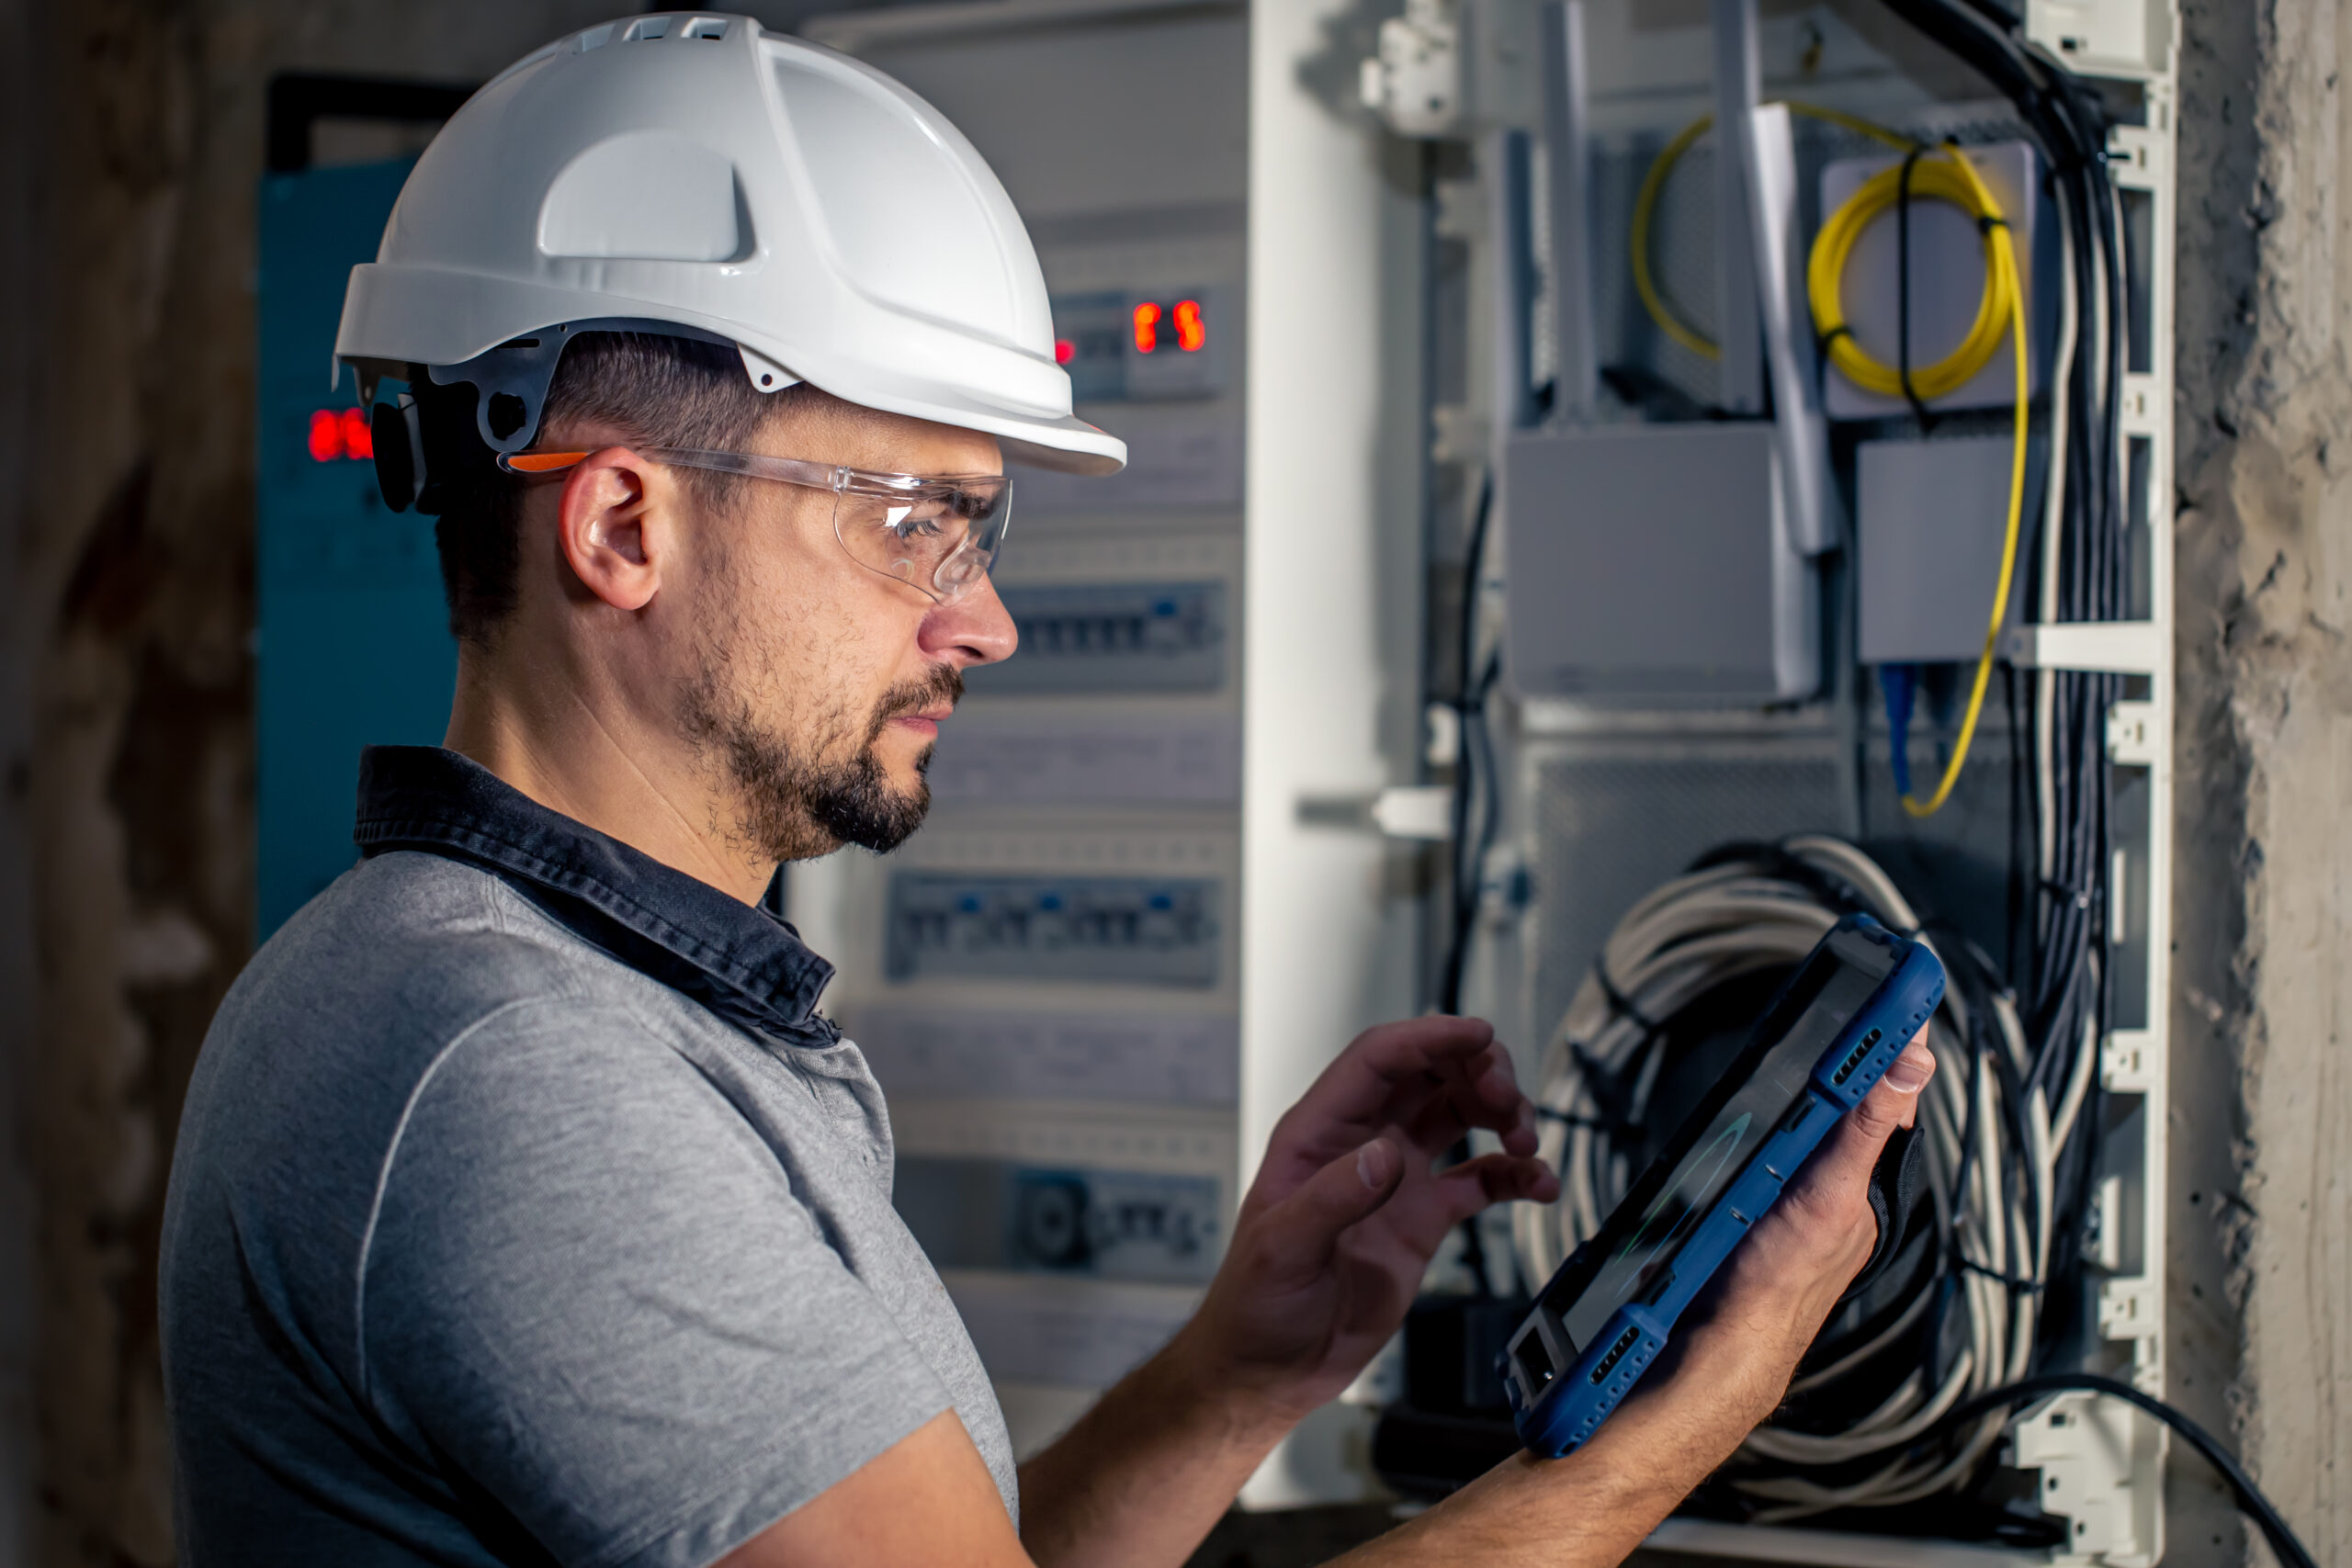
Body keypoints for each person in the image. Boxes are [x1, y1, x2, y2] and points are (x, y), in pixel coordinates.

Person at [160, 17, 1936, 1568]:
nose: (985, 618)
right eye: (908, 521)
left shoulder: (567, 1004)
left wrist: (1233, 1377)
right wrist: (1673, 1438)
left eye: (979, 527)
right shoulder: (522, 1078)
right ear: (625, 523)